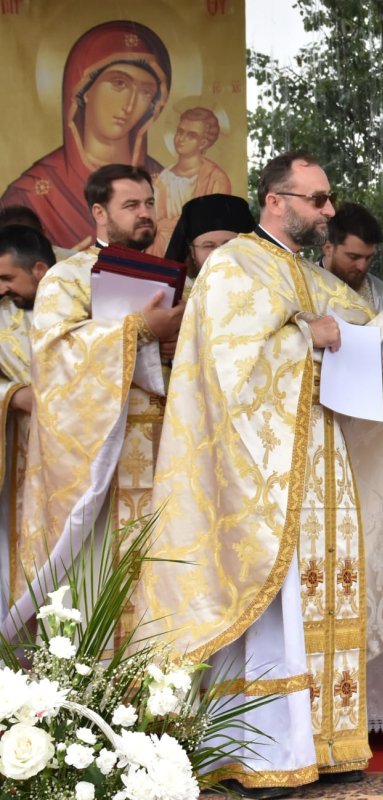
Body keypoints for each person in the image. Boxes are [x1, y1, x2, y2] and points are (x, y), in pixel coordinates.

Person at [134, 152, 383, 797]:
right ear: (277, 200)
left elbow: (370, 346)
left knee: (320, 598)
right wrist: (304, 338)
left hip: (321, 460)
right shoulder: (234, 266)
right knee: (275, 607)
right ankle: (265, 751)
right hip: (258, 471)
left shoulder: (307, 276)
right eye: (318, 199)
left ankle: (326, 741)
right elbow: (226, 365)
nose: (329, 210)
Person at [3, 164, 183, 638]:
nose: (145, 214)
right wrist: (140, 331)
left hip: (162, 456)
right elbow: (55, 354)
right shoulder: (68, 278)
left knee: (157, 583)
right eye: (132, 206)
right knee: (94, 582)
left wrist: (173, 345)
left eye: (149, 204)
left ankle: (160, 704)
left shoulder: (176, 278)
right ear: (99, 212)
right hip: (97, 462)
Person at [1, 21, 171, 253]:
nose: (130, 105)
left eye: (145, 91)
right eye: (119, 83)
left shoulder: (166, 182)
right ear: (82, 89)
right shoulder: (30, 193)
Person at [0, 226, 54, 612]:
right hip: (18, 454)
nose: (2, 289)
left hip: (81, 456)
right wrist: (12, 395)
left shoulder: (86, 303)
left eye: (7, 278)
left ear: (38, 269)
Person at [152, 107, 234, 255]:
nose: (181, 139)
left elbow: (214, 225)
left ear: (203, 143)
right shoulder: (163, 178)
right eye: (180, 131)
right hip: (163, 252)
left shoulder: (215, 178)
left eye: (191, 135)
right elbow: (155, 223)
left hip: (201, 252)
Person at [163, 193, 256, 278]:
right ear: (193, 253)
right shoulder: (181, 295)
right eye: (208, 246)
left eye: (229, 244)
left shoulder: (267, 290)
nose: (219, 253)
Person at [322, 202, 383, 310]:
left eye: (369, 257)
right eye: (353, 257)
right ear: (328, 248)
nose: (362, 266)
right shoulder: (303, 286)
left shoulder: (378, 291)